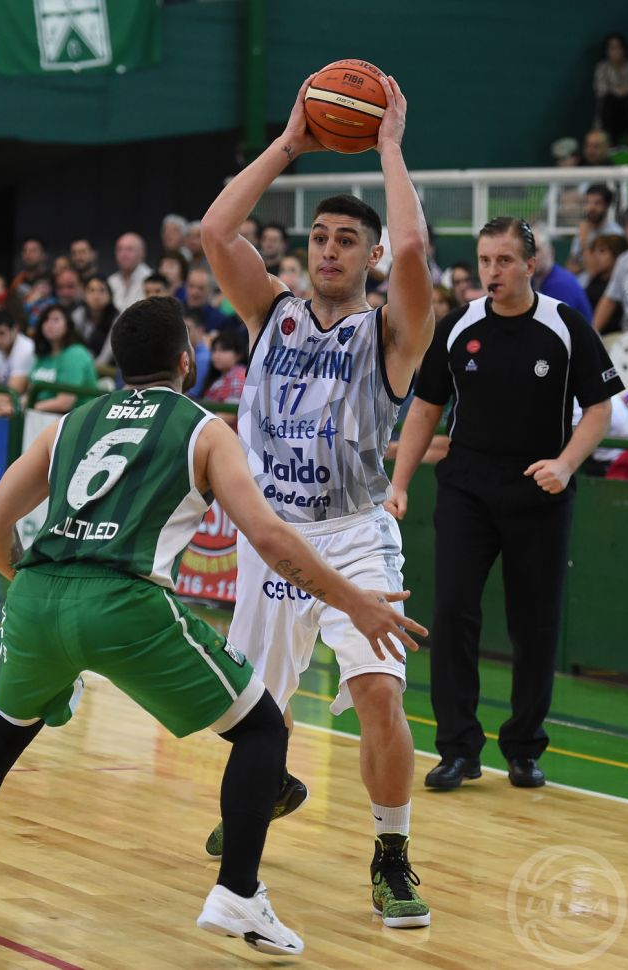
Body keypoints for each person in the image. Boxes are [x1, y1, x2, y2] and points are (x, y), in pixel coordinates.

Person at [0, 297, 426, 954]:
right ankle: (238, 893)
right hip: (123, 599)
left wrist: (34, 596)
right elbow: (267, 537)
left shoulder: (69, 423)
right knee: (260, 728)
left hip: (35, 592)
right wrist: (355, 601)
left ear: (120, 364)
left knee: (3, 731)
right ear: (186, 361)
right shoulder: (204, 429)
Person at [200, 73, 435, 928]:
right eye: (319, 238)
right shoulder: (270, 312)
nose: (329, 251)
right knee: (248, 717)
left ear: (369, 256)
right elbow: (215, 230)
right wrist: (290, 143)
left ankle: (391, 852)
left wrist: (387, 146)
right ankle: (271, 781)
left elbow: (413, 256)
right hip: (272, 538)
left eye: (347, 241)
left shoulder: (391, 333)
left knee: (377, 693)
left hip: (354, 534)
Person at [387, 217, 624, 792]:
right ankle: (458, 749)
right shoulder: (457, 325)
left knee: (534, 624)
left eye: (504, 261)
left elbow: (599, 409)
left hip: (539, 495)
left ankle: (523, 747)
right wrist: (400, 483)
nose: (492, 271)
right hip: (467, 490)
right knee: (452, 614)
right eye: (485, 260)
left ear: (530, 265)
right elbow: (426, 408)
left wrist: (565, 465)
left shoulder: (566, 326)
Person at [28, 304, 98, 413]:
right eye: (46, 320)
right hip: (41, 414)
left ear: (68, 325)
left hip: (74, 418)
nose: (49, 324)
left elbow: (64, 403)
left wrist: (28, 408)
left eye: (56, 320)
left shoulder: (75, 354)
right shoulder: (43, 355)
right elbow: (30, 393)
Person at [532, 226, 594, 320]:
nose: (531, 256)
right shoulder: (533, 280)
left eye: (536, 250)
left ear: (550, 251)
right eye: (527, 251)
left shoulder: (562, 283)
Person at [593, 33, 628, 147]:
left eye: (618, 48)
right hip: (609, 111)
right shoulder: (602, 67)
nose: (616, 52)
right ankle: (610, 140)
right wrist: (617, 91)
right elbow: (600, 90)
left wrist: (627, 91)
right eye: (612, 48)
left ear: (624, 49)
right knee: (610, 100)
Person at [108, 232, 152, 312]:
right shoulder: (111, 281)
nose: (123, 254)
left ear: (142, 253)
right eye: (119, 249)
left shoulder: (152, 279)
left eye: (129, 249)